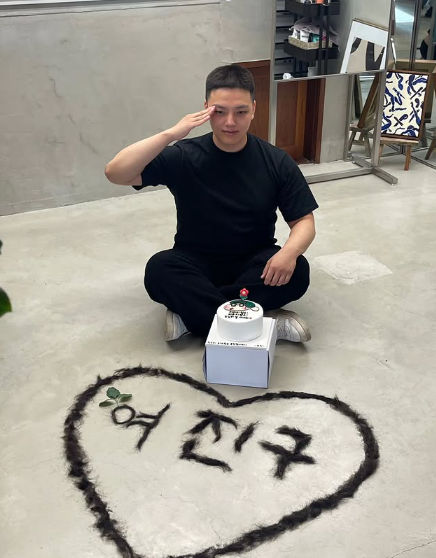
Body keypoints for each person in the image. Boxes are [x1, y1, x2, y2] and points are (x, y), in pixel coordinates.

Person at [105, 64, 318, 342]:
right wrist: (171, 134)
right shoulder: (184, 155)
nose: (230, 122)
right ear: (206, 108)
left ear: (254, 109)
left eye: (240, 112)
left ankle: (193, 315)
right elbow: (116, 173)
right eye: (220, 111)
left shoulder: (276, 161)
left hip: (253, 262)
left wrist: (288, 253)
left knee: (298, 270)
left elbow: (304, 221)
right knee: (159, 270)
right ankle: (264, 323)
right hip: (196, 261)